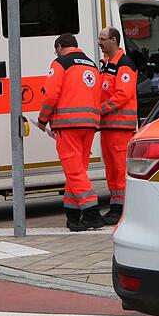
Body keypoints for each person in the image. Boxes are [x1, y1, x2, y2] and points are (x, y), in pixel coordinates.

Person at [37, 33, 103, 232]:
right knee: (77, 171)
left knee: (74, 171)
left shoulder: (60, 63)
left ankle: (91, 214)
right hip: (90, 124)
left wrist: (42, 120)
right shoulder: (91, 65)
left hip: (68, 125)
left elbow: (50, 95)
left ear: (59, 46)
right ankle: (72, 216)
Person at [97, 27, 138, 226]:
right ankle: (116, 207)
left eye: (103, 39)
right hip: (108, 126)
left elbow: (123, 95)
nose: (99, 42)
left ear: (114, 40)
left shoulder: (124, 64)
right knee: (111, 169)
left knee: (120, 169)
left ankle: (121, 209)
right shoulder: (107, 65)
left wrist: (100, 109)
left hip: (120, 127)